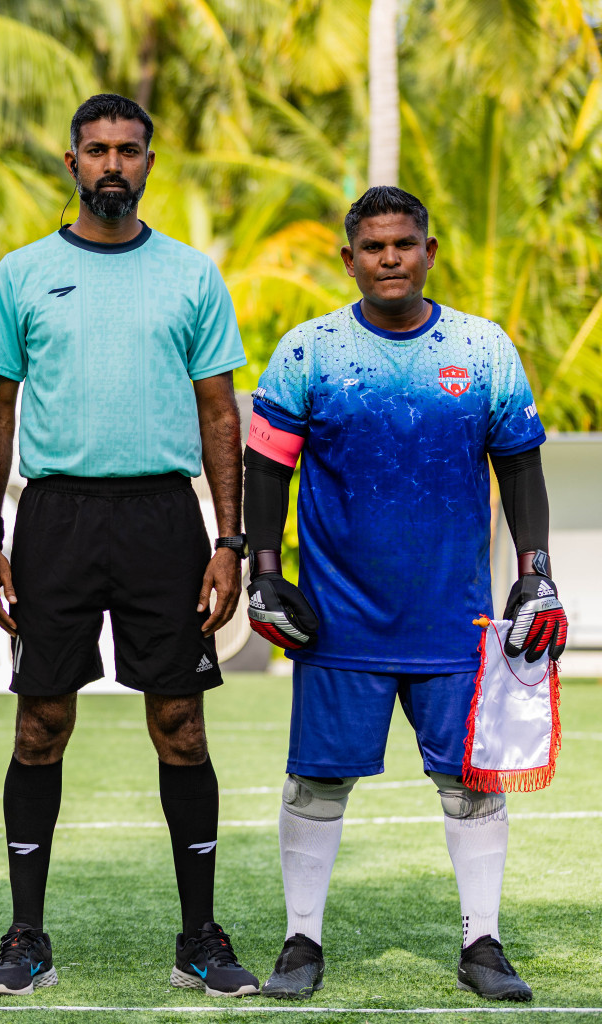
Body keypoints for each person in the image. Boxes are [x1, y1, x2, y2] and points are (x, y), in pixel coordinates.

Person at [244, 185, 563, 1003]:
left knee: (472, 784)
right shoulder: (309, 350)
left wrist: (536, 570)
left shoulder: (483, 348)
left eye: (404, 244)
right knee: (316, 784)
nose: (390, 258)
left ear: (429, 252)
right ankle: (301, 942)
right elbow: (267, 467)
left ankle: (483, 945)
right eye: (373, 246)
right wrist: (264, 572)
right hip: (338, 619)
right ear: (348, 259)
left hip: (455, 617)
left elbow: (520, 466)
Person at [0, 94, 259, 998]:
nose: (112, 164)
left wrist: (229, 541)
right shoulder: (22, 274)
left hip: (163, 521)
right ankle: (26, 935)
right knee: (40, 724)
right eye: (96, 150)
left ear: (147, 163)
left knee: (180, 724)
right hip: (55, 518)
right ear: (72, 163)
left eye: (127, 150)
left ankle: (199, 937)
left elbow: (220, 414)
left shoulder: (190, 275)